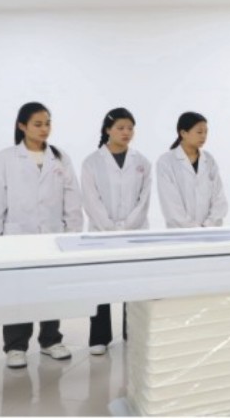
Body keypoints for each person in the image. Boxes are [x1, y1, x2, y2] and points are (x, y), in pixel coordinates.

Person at [0, 102, 83, 369]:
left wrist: (72, 233)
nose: (44, 129)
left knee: (51, 288)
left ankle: (50, 340)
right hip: (17, 237)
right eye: (37, 124)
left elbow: (72, 197)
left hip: (53, 235)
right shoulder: (5, 158)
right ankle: (16, 346)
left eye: (47, 123)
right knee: (19, 292)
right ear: (22, 126)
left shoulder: (60, 157)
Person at [81, 107, 152, 355]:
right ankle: (99, 337)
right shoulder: (92, 162)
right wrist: (111, 228)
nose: (126, 132)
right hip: (101, 234)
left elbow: (144, 200)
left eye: (130, 128)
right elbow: (91, 200)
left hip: (135, 233)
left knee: (133, 283)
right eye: (121, 128)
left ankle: (131, 332)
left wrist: (127, 226)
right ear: (107, 130)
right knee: (100, 283)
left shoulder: (142, 162)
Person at [157, 111, 228, 228]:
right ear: (183, 133)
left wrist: (208, 225)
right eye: (199, 132)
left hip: (210, 231)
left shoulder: (209, 160)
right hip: (181, 232)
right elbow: (170, 204)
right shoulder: (166, 161)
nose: (203, 136)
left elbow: (219, 198)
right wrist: (193, 229)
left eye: (206, 132)